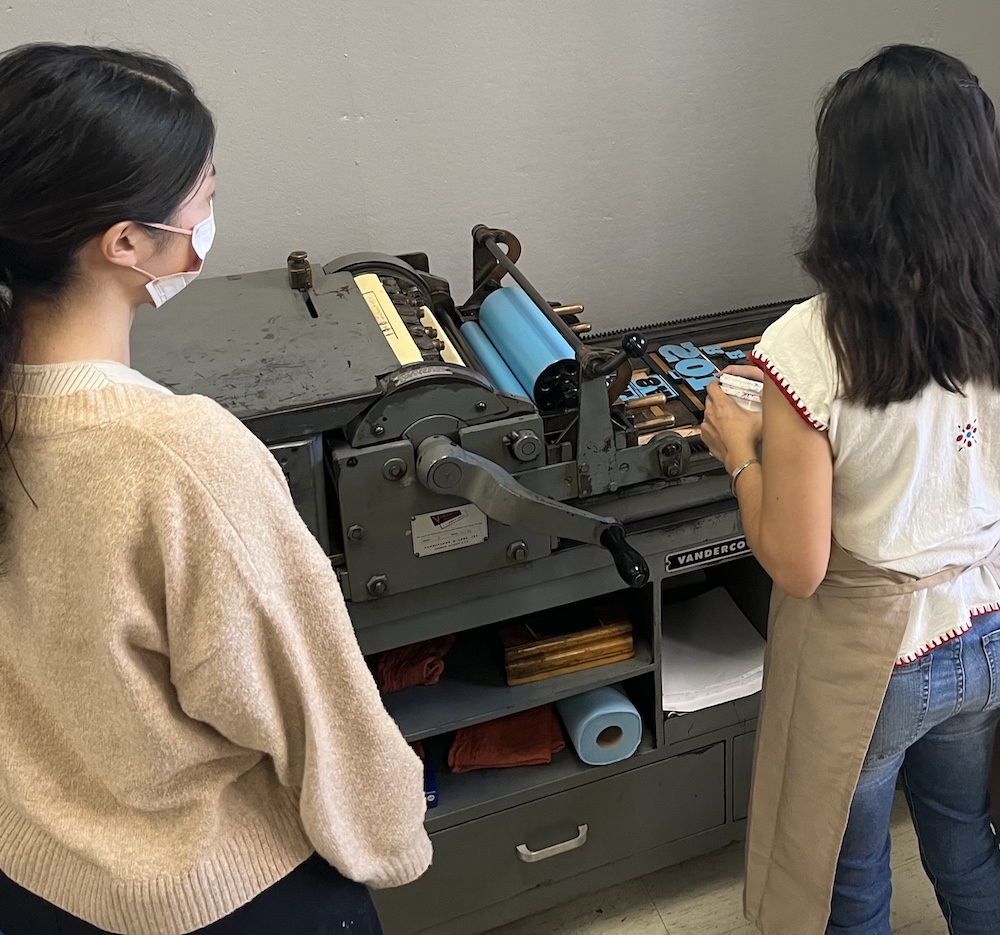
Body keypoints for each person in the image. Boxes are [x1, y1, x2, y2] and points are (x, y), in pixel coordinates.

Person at [0, 43, 431, 935]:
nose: (209, 211)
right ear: (125, 242)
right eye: (202, 193)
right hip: (215, 895)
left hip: (32, 872)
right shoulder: (177, 454)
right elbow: (314, 705)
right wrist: (391, 841)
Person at [701, 44, 1000, 935]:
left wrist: (739, 450)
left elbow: (797, 563)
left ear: (849, 185)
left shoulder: (809, 345)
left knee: (846, 871)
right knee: (964, 838)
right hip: (983, 632)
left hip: (870, 663)